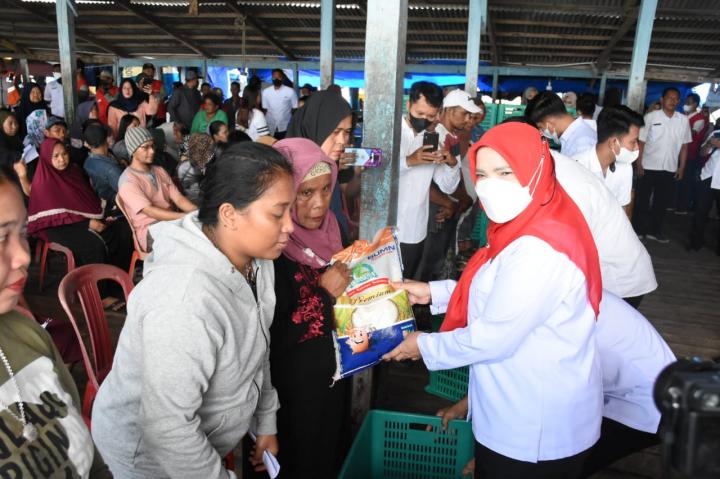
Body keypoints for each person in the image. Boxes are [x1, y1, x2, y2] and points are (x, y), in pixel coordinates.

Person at [385, 122, 604, 479]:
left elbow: (494, 335)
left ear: (537, 169)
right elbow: (501, 291)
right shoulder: (525, 225)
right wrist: (431, 292)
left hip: (534, 427)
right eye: (482, 174)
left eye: (506, 171)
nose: (490, 185)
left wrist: (421, 346)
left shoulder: (539, 248)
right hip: (515, 408)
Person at [92, 142, 293, 478]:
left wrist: (266, 421)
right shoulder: (183, 300)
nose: (289, 226)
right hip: (147, 458)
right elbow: (168, 429)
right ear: (229, 214)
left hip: (201, 441)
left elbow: (258, 345)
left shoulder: (257, 262)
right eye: (277, 213)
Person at [435, 291, 675, 479]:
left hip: (648, 402)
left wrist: (501, 459)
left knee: (562, 464)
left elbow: (545, 400)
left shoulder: (547, 320)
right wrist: (464, 405)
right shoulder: (545, 295)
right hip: (626, 387)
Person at [0, 166, 112, 478]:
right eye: (0, 237)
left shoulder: (26, 333)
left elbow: (92, 462)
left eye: (23, 233)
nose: (24, 256)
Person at [270, 138, 352, 477]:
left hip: (335, 378)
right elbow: (272, 337)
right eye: (305, 193)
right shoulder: (272, 250)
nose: (319, 205)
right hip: (294, 393)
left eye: (326, 190)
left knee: (331, 454)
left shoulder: (333, 232)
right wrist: (324, 294)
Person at [27, 139, 132, 273]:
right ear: (47, 158)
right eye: (56, 156)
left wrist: (101, 217)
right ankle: (99, 289)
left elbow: (85, 201)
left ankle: (119, 276)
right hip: (57, 227)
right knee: (94, 245)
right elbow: (53, 217)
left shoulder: (73, 171)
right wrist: (86, 224)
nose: (62, 159)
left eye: (64, 154)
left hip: (79, 219)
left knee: (121, 229)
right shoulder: (43, 183)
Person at [396, 81, 460, 279]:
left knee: (406, 282)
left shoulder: (435, 140)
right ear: (409, 105)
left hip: (415, 228)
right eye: (420, 114)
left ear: (438, 113)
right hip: (385, 227)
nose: (424, 120)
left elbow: (447, 185)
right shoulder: (389, 132)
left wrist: (450, 163)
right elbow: (374, 170)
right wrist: (409, 160)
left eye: (430, 116)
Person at [421, 90, 479, 281]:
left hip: (447, 207)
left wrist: (457, 202)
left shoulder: (452, 137)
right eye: (464, 114)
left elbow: (453, 175)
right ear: (449, 110)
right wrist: (448, 203)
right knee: (427, 263)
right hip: (434, 210)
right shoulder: (433, 136)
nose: (468, 119)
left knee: (437, 261)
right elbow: (425, 180)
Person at [286, 90, 356, 245]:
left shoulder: (330, 165)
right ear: (315, 127)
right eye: (335, 132)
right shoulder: (287, 172)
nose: (342, 141)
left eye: (347, 132)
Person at [118, 127, 196, 252]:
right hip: (150, 230)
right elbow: (150, 211)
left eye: (152, 146)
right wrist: (183, 217)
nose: (152, 151)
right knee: (188, 244)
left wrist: (196, 212)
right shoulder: (128, 181)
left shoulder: (159, 170)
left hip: (170, 222)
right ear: (133, 151)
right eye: (145, 147)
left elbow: (179, 198)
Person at [632, 87, 692, 243]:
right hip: (648, 166)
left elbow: (685, 146)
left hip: (669, 168)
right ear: (662, 99)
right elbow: (641, 142)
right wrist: (639, 164)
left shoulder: (683, 120)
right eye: (669, 98)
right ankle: (638, 231)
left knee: (661, 202)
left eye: (675, 98)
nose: (672, 101)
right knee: (642, 201)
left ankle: (654, 231)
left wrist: (681, 167)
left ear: (679, 101)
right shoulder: (651, 117)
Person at [573, 106, 644, 209]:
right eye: (633, 142)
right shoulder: (576, 167)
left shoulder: (625, 168)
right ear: (613, 143)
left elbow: (623, 210)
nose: (637, 147)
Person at [526, 90, 597, 157]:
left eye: (540, 127)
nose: (541, 132)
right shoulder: (572, 137)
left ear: (550, 123)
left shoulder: (583, 143)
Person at [688, 127, 720, 253]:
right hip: (707, 176)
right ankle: (696, 242)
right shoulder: (716, 133)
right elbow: (702, 153)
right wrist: (709, 144)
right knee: (700, 212)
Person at [676, 93, 709, 214]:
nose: (686, 104)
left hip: (690, 155)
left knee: (686, 182)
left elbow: (692, 134)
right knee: (677, 180)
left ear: (695, 104)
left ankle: (682, 207)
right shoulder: (685, 116)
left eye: (689, 102)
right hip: (678, 153)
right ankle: (675, 204)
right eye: (686, 101)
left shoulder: (699, 119)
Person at [83, 122, 124, 208]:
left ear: (87, 144)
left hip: (102, 203)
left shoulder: (87, 162)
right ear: (107, 138)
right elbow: (127, 193)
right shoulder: (110, 169)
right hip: (115, 205)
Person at [177, 133, 215, 205]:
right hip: (196, 202)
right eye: (208, 148)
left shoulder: (192, 161)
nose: (211, 151)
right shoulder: (188, 166)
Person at [262, 69, 298, 139]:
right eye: (274, 77)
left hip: (285, 125)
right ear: (271, 78)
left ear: (282, 78)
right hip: (270, 124)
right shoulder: (266, 92)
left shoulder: (290, 91)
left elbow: (295, 108)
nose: (276, 79)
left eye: (278, 77)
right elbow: (265, 109)